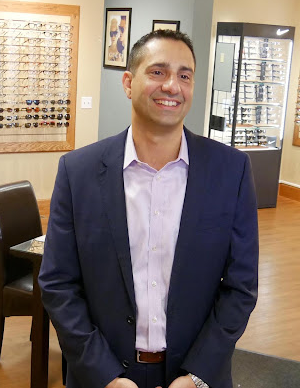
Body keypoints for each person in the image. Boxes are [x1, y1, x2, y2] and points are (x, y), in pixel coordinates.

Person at [38, 30, 259, 388]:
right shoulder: (78, 172)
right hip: (102, 376)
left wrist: (197, 376)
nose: (172, 85)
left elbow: (241, 287)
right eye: (157, 72)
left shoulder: (231, 171)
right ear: (128, 82)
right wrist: (105, 376)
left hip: (194, 376)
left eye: (184, 75)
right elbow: (58, 284)